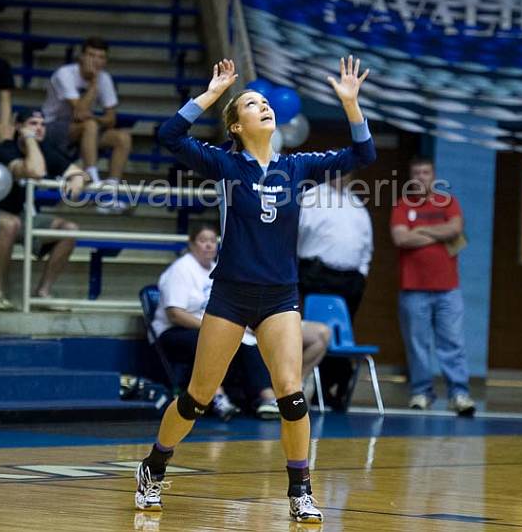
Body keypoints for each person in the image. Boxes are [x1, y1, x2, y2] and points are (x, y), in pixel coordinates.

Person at [134, 55, 375, 524]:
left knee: (291, 393)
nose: (262, 107)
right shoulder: (225, 164)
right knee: (197, 398)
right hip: (230, 295)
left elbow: (363, 155)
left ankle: (300, 490)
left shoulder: (298, 166)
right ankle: (153, 467)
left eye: (265, 102)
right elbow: (168, 136)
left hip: (280, 295)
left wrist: (350, 105)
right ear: (238, 125)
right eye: (250, 104)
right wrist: (211, 94)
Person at [154, 224, 280, 420]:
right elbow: (175, 314)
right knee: (209, 340)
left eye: (213, 241)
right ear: (191, 244)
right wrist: (214, 329)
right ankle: (217, 397)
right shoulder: (181, 269)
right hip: (174, 331)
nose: (209, 246)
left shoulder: (218, 271)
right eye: (203, 241)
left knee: (248, 340)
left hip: (211, 327)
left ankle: (266, 397)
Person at [390, 158, 475, 416]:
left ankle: (458, 393)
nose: (421, 177)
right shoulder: (402, 206)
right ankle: (421, 392)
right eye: (416, 173)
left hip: (448, 289)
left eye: (426, 172)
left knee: (453, 342)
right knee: (418, 344)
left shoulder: (447, 202)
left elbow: (456, 228)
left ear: (433, 176)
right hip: (413, 288)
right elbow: (400, 237)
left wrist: (421, 230)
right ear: (410, 177)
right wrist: (438, 232)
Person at [0, 110, 84, 312]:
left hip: (20, 215)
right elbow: (35, 171)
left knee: (69, 229)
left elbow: (77, 172)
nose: (39, 128)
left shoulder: (45, 149)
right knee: (11, 224)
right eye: (33, 123)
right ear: (19, 127)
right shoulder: (5, 150)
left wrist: (77, 180)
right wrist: (29, 140)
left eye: (42, 124)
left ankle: (43, 293)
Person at [297, 171, 373, 411]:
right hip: (316, 274)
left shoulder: (357, 205)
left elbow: (366, 245)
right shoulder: (310, 198)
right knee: (319, 334)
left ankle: (329, 389)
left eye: (346, 174)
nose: (342, 178)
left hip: (350, 280)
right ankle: (316, 386)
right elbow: (294, 234)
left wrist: (362, 273)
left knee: (340, 335)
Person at [41, 37, 133, 212]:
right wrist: (93, 84)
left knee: (122, 137)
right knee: (89, 124)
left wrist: (95, 118)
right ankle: (94, 181)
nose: (95, 61)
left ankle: (109, 193)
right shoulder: (65, 74)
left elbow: (111, 118)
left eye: (100, 57)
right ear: (81, 57)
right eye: (91, 55)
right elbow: (80, 113)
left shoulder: (105, 78)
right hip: (51, 129)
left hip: (83, 131)